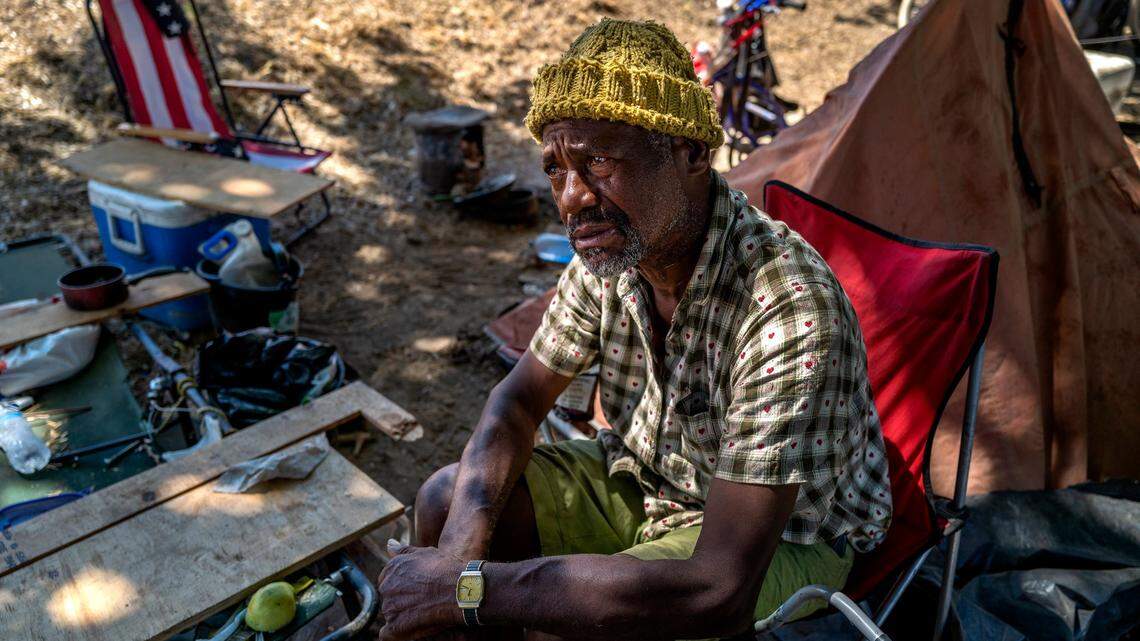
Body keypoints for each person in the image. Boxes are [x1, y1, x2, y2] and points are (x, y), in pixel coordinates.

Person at [377, 18, 892, 641]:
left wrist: (470, 588)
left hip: (781, 536)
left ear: (692, 153)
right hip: (649, 479)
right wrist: (457, 560)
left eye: (597, 161)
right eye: (556, 169)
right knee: (444, 501)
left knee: (565, 621)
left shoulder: (785, 309)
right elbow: (516, 402)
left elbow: (719, 587)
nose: (572, 198)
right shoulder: (615, 251)